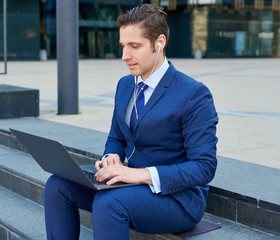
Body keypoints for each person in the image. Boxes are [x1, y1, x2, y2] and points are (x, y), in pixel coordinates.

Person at [44, 4, 218, 240]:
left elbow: (204, 167)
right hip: (128, 185)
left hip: (177, 200)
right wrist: (110, 156)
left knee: (109, 202)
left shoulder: (194, 94)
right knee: (57, 185)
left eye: (134, 46)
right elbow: (116, 137)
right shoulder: (125, 85)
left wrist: (142, 175)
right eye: (123, 46)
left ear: (160, 43)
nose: (125, 56)